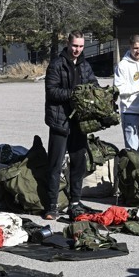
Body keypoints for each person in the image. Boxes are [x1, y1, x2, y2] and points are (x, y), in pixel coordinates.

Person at [44, 31, 100, 220]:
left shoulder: (85, 65)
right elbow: (52, 92)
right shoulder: (56, 64)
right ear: (68, 44)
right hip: (60, 120)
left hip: (79, 123)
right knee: (55, 164)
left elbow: (94, 86)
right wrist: (75, 94)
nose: (77, 50)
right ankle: (51, 206)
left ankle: (75, 202)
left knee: (79, 163)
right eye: (75, 46)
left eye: (81, 46)